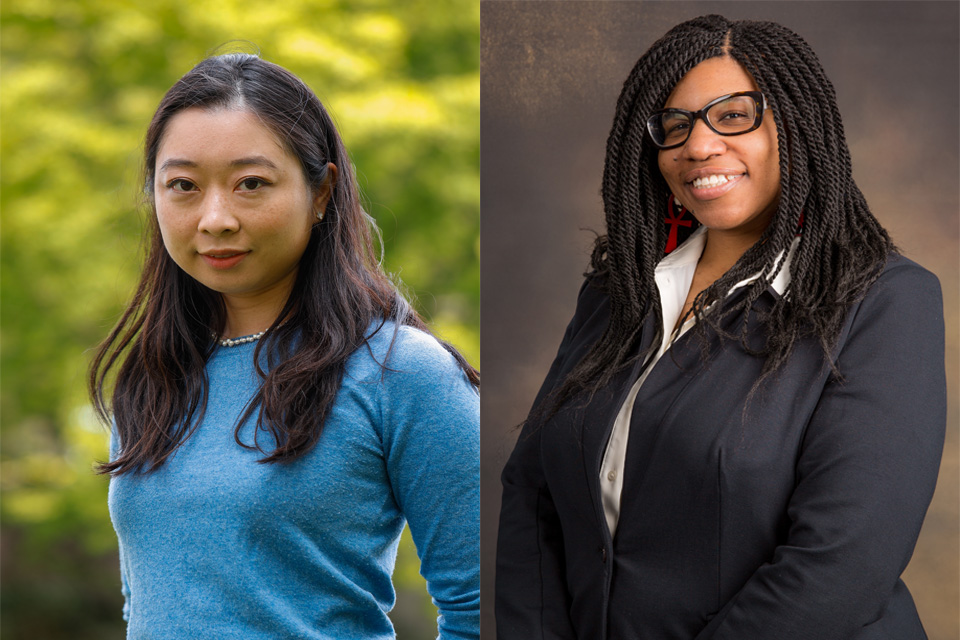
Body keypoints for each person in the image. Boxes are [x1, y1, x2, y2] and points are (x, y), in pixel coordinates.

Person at [496, 15, 944, 640]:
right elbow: (532, 490)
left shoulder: (885, 301)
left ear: (796, 126)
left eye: (734, 115)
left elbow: (841, 564)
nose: (698, 147)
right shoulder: (619, 290)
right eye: (674, 127)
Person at [89, 53, 480, 640]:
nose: (215, 218)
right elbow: (146, 604)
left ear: (321, 192)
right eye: (183, 186)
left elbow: (488, 604)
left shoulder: (399, 373)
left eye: (251, 184)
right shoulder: (153, 376)